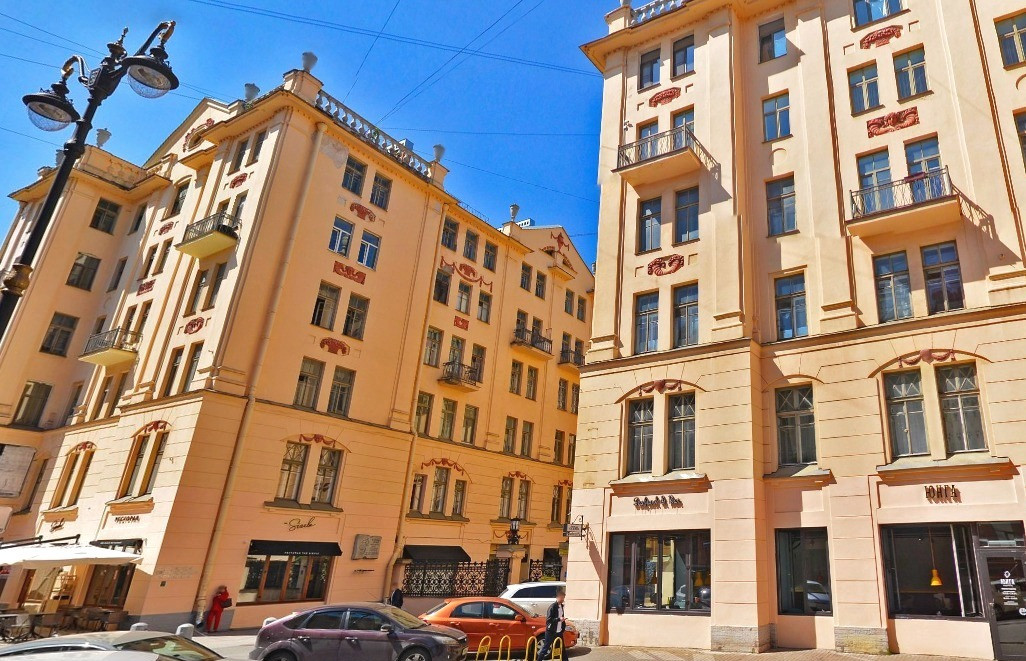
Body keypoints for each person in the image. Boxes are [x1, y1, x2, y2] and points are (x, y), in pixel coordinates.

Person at [537, 586, 566, 660]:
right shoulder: (552, 607)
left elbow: (561, 617)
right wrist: (559, 619)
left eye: (563, 598)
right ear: (558, 597)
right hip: (551, 631)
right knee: (546, 648)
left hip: (559, 631)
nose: (563, 599)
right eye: (562, 598)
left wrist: (563, 626)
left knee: (562, 649)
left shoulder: (561, 606)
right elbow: (549, 620)